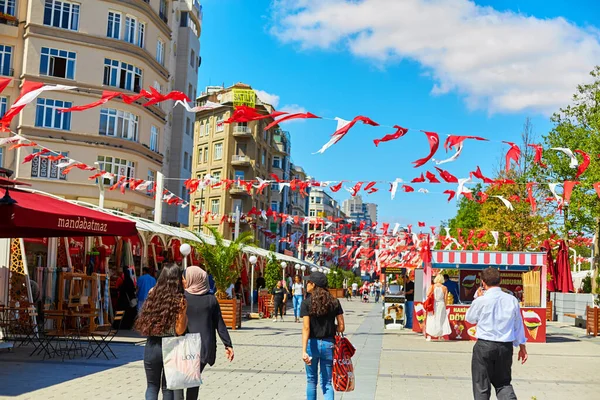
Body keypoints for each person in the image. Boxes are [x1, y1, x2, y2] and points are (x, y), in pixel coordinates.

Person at [466, 267, 528, 400]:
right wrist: (522, 345)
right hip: (505, 346)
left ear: (483, 282)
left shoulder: (481, 300)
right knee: (503, 383)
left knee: (481, 386)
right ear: (500, 281)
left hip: (484, 345)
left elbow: (469, 318)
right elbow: (518, 324)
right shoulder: (511, 300)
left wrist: (477, 298)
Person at [135, 264, 188, 400]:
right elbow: (179, 330)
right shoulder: (180, 299)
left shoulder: (152, 293)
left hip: (152, 345)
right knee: (167, 387)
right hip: (171, 345)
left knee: (152, 386)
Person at [183, 266, 234, 400]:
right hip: (205, 347)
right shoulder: (211, 299)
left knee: (182, 379)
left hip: (185, 346)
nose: (183, 281)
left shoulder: (183, 297)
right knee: (193, 380)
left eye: (184, 278)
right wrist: (228, 345)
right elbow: (220, 324)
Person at [301, 271, 345, 400]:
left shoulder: (306, 303)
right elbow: (342, 327)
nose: (306, 284)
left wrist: (303, 351)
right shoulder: (334, 302)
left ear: (313, 285)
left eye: (308, 282)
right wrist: (331, 328)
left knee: (311, 381)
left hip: (312, 345)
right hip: (328, 344)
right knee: (327, 382)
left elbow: (306, 328)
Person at [425, 274, 452, 341]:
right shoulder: (444, 288)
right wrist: (444, 306)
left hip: (433, 304)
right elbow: (445, 299)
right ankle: (440, 336)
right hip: (441, 304)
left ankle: (429, 336)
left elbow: (427, 294)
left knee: (431, 319)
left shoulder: (432, 286)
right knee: (441, 320)